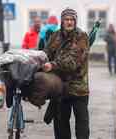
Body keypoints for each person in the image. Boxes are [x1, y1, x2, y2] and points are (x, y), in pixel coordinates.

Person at [42, 8, 90, 139]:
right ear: (62, 21)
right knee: (60, 123)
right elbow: (46, 53)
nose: (69, 22)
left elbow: (73, 61)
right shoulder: (55, 36)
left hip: (79, 88)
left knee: (82, 124)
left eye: (71, 20)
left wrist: (53, 65)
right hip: (60, 88)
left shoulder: (82, 37)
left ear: (75, 21)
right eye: (66, 19)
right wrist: (39, 59)